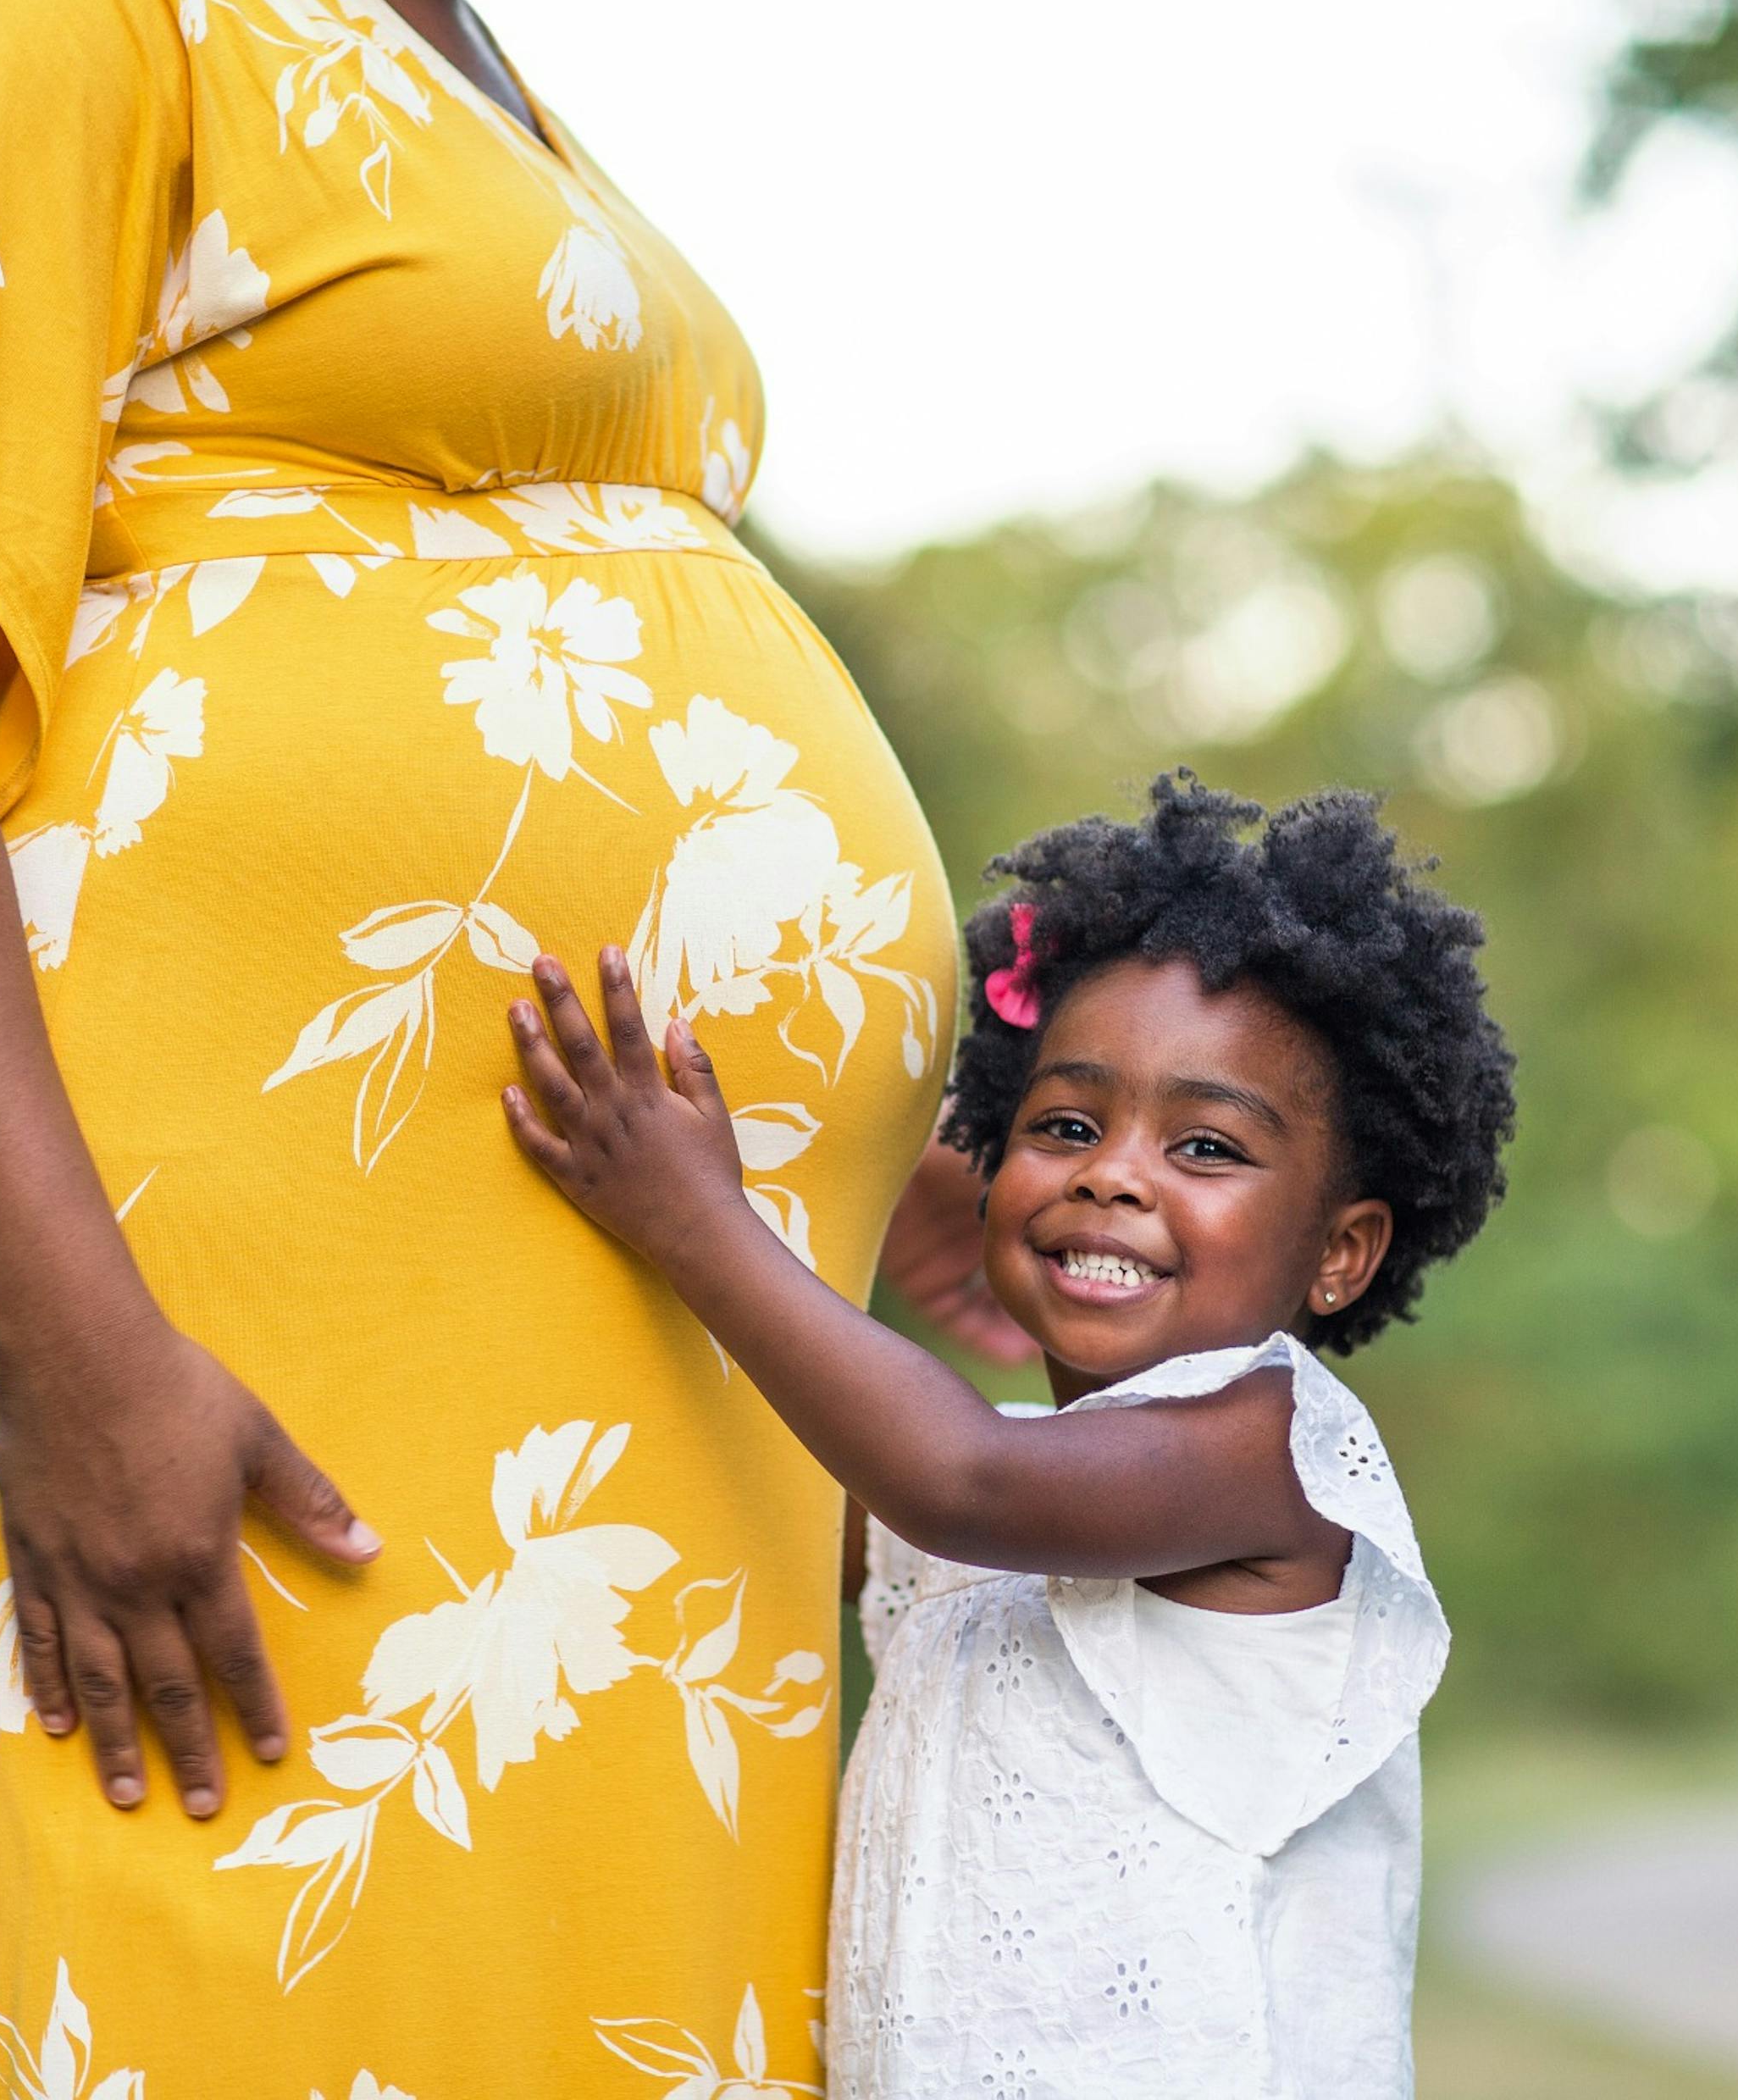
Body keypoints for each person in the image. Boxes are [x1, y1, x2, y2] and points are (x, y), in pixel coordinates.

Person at [0, 0, 985, 2090]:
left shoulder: (444, 28)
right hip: (195, 1298)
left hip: (582, 1361)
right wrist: (70, 1341)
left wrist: (852, 1126)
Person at [503, 775, 1519, 2098]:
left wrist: (697, 1220)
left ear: (1340, 1252)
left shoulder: (1272, 1459)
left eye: (1206, 1146)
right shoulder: (1020, 1475)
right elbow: (772, 1507)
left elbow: (959, 1475)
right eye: (1066, 1125)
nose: (1113, 1172)